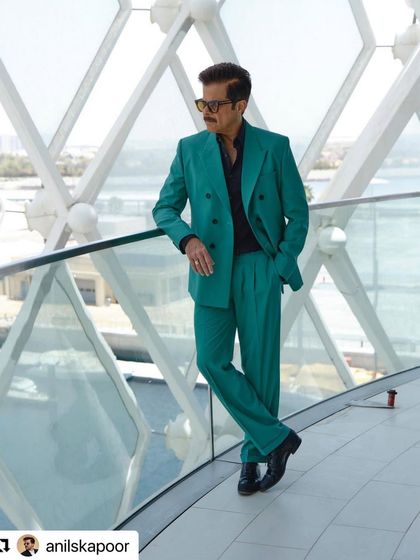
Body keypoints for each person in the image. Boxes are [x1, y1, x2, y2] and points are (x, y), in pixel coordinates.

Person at [153, 62, 309, 494]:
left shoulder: (274, 147)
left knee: (260, 369)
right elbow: (164, 208)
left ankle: (252, 459)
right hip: (211, 271)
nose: (206, 111)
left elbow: (298, 214)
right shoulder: (190, 149)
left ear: (240, 105)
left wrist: (279, 265)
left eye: (215, 104)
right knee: (211, 360)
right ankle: (276, 439)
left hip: (260, 267)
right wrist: (187, 240)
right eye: (202, 103)